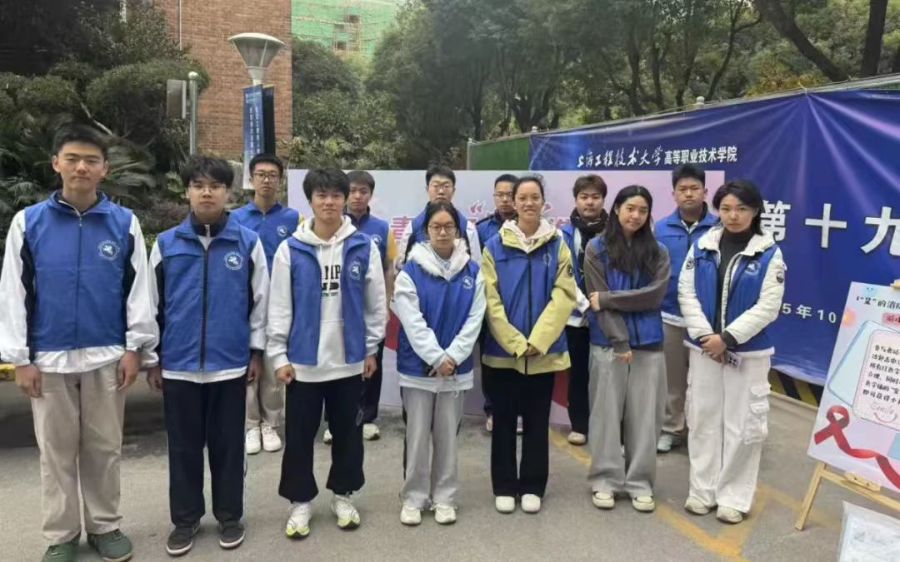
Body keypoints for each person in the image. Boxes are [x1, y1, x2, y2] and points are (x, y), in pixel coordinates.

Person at [0, 124, 157, 562]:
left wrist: (135, 348)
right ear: (56, 164)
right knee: (56, 453)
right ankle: (62, 534)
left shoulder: (124, 223)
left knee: (104, 448)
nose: (81, 167)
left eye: (91, 160)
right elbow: (13, 293)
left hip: (107, 356)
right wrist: (20, 359)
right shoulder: (28, 223)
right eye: (72, 159)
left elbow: (138, 291)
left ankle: (105, 526)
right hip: (48, 358)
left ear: (105, 169)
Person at [147, 156, 269, 556]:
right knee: (183, 450)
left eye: (215, 186)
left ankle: (230, 516)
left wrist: (255, 352)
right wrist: (154, 357)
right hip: (178, 367)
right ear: (186, 191)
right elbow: (150, 306)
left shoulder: (247, 243)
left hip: (229, 365)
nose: (206, 192)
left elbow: (261, 304)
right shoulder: (166, 244)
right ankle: (185, 520)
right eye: (198, 185)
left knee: (228, 448)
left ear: (228, 192)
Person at [267, 168, 387, 538]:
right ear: (310, 201)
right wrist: (278, 355)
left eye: (336, 195)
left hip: (349, 362)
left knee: (348, 436)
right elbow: (279, 306)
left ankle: (343, 495)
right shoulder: (291, 249)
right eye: (321, 195)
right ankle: (300, 501)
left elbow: (376, 304)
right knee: (299, 438)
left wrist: (371, 349)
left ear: (345, 199)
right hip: (303, 364)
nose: (329, 202)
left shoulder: (363, 246)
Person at [678, 180, 786, 525]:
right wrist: (706, 337)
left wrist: (727, 338)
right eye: (725, 208)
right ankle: (702, 491)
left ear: (755, 211)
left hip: (747, 354)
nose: (733, 215)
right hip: (704, 350)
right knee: (702, 419)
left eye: (741, 208)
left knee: (743, 426)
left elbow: (768, 306)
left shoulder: (769, 253)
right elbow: (686, 293)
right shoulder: (702, 246)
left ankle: (733, 498)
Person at [482, 175, 576, 515]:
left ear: (543, 202)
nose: (528, 203)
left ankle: (533, 485)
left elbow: (564, 295)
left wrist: (538, 340)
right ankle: (505, 485)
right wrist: (513, 341)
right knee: (504, 422)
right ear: (513, 202)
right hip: (502, 354)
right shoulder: (494, 245)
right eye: (521, 197)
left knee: (537, 423)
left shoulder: (557, 244)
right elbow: (489, 298)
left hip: (543, 353)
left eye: (534, 197)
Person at [392, 201, 486, 526]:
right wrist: (436, 357)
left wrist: (453, 357)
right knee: (417, 437)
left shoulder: (473, 272)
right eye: (436, 227)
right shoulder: (410, 271)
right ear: (426, 231)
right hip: (418, 369)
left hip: (455, 370)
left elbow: (475, 319)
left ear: (458, 231)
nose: (443, 232)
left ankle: (445, 497)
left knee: (448, 438)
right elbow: (411, 320)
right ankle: (414, 497)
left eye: (449, 226)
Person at [584, 185, 670, 513]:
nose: (635, 215)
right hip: (608, 343)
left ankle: (640, 483)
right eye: (630, 208)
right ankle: (605, 480)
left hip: (649, 343)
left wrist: (610, 299)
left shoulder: (658, 251)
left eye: (643, 210)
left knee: (646, 418)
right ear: (617, 208)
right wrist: (620, 341)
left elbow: (655, 295)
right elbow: (596, 301)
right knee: (605, 415)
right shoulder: (597, 248)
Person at [231, 153, 300, 456]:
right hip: (245, 300)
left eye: (273, 175)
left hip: (280, 300)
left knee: (273, 362)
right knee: (249, 360)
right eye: (261, 174)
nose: (267, 180)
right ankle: (250, 423)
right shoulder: (236, 218)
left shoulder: (292, 219)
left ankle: (271, 422)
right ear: (252, 179)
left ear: (280, 180)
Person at [654, 164, 718, 454]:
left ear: (705, 192)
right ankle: (671, 428)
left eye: (694, 188)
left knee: (706, 381)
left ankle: (703, 433)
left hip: (707, 320)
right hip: (669, 315)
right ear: (673, 194)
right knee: (673, 379)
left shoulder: (719, 228)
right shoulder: (660, 229)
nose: (689, 194)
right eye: (683, 189)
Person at [332, 170, 397, 443]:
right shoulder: (333, 223)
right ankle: (335, 419)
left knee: (372, 362)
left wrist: (386, 304)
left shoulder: (382, 229)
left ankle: (368, 417)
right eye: (353, 191)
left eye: (363, 191)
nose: (357, 196)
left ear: (371, 194)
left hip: (370, 307)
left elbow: (388, 268)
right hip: (337, 307)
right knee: (337, 362)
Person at [560, 174, 609, 446]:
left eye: (595, 197)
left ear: (603, 200)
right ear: (576, 200)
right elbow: (562, 275)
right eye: (584, 197)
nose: (590, 202)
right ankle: (579, 424)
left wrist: (602, 302)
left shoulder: (615, 232)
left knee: (607, 375)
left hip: (607, 313)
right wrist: (584, 304)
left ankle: (607, 426)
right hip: (575, 316)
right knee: (578, 373)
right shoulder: (564, 234)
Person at [475, 173, 517, 432]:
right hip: (489, 304)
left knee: (519, 359)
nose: (504, 199)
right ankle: (492, 410)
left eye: (509, 194)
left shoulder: (532, 227)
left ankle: (519, 411)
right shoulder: (482, 229)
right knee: (490, 360)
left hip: (519, 304)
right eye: (499, 194)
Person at [394, 164, 480, 271]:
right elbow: (401, 268)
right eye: (436, 186)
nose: (441, 191)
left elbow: (477, 268)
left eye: (446, 186)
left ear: (453, 190)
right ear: (427, 189)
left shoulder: (467, 228)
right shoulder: (413, 228)